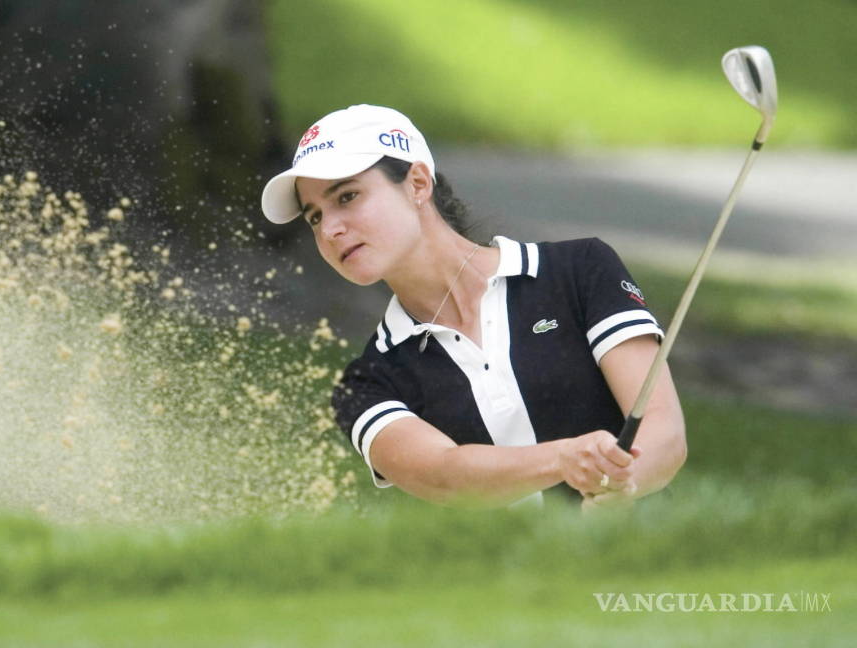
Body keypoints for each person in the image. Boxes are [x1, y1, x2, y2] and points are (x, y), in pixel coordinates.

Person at [260, 105, 686, 509]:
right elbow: (443, 475)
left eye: (347, 197)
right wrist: (565, 460)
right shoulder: (368, 384)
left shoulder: (578, 270)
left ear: (418, 184)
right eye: (314, 217)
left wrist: (624, 488)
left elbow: (663, 430)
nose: (331, 229)